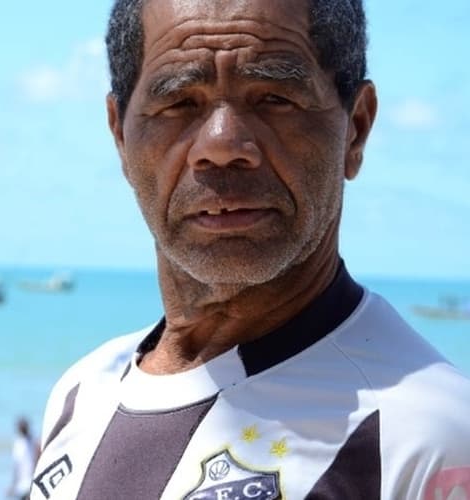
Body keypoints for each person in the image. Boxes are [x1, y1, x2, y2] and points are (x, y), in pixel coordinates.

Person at [33, 1, 470, 499]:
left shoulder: (426, 436)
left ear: (357, 127)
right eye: (179, 102)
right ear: (120, 136)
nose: (221, 145)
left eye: (274, 98)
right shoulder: (83, 393)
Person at [7, 417, 39, 500]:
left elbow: (37, 460)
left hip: (32, 482)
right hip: (22, 484)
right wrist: (13, 485)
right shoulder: (18, 443)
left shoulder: (34, 442)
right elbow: (16, 467)